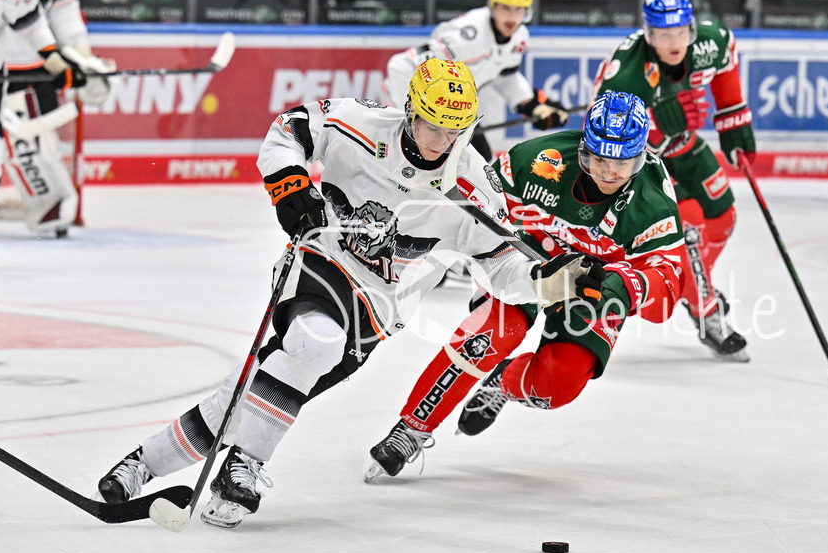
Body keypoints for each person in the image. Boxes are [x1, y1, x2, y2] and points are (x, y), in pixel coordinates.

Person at [95, 58, 602, 528]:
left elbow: (497, 262)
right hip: (322, 260)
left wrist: (539, 281)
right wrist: (290, 187)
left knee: (259, 390)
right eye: (430, 126)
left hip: (380, 308)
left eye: (453, 131)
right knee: (315, 343)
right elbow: (286, 131)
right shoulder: (359, 122)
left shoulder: (472, 184)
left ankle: (141, 464)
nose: (439, 142)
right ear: (408, 113)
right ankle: (245, 463)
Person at [364, 91, 687, 481]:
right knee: (493, 332)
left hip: (596, 283)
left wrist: (622, 286)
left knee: (557, 386)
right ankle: (412, 428)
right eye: (598, 158)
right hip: (528, 257)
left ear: (641, 157)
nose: (607, 172)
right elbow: (475, 202)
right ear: (583, 149)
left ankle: (504, 380)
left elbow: (668, 288)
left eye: (622, 163)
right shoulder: (539, 161)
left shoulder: (652, 204)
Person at [592, 0, 754, 361]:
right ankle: (705, 311)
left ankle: (694, 286)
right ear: (649, 35)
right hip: (644, 163)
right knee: (690, 234)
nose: (674, 41)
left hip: (685, 147)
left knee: (724, 214)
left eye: (680, 32)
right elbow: (608, 143)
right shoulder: (628, 72)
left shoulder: (709, 43)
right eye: (664, 35)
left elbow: (727, 61)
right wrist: (658, 124)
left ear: (691, 28)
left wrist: (734, 124)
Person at [383, 0, 569, 162]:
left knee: (479, 161)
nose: (511, 17)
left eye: (518, 9)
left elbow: (505, 76)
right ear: (493, 5)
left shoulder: (519, 36)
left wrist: (534, 106)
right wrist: (409, 115)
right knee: (414, 156)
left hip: (455, 105)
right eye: (505, 8)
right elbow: (402, 66)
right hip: (431, 104)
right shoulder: (468, 36)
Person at [0, 0, 115, 238]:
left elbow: (62, 7)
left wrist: (80, 52)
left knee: (31, 140)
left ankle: (47, 207)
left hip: (30, 69)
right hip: (6, 65)